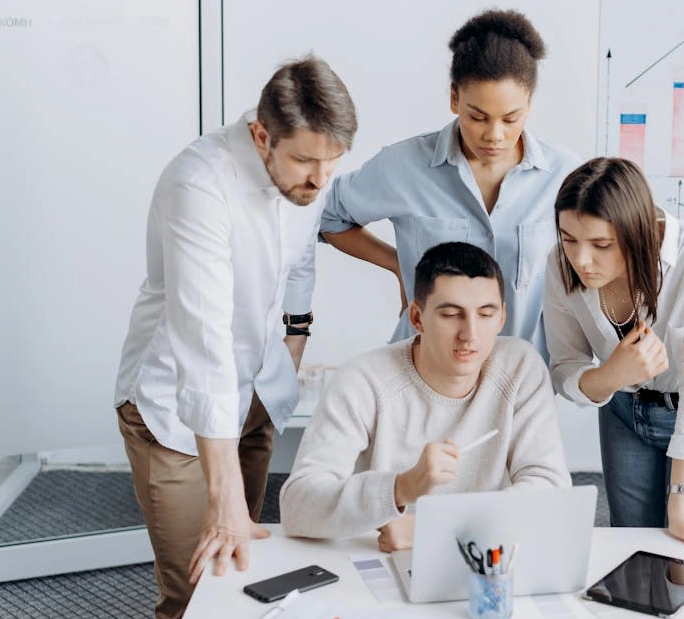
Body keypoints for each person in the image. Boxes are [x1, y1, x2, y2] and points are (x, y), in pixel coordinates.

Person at [113, 56, 357, 618]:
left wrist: (295, 336)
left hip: (255, 392)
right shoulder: (199, 184)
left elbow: (301, 257)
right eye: (305, 161)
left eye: (333, 162)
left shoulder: (310, 167)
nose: (320, 180)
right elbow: (203, 345)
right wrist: (225, 500)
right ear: (261, 135)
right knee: (196, 595)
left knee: (245, 583)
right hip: (173, 411)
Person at [319, 9, 581, 357]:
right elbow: (325, 215)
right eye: (478, 116)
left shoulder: (565, 176)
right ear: (454, 98)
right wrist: (396, 264)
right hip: (422, 370)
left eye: (510, 118)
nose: (494, 134)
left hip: (522, 375)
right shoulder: (404, 166)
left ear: (529, 104)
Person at [542, 157, 684, 568]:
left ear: (637, 233)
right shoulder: (560, 264)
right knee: (634, 566)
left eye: (601, 245)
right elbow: (565, 366)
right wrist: (610, 375)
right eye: (569, 239)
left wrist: (681, 500)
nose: (581, 259)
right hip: (625, 415)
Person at [280, 242, 571, 550]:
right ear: (417, 318)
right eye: (451, 314)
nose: (470, 334)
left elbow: (551, 491)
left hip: (487, 557)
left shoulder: (520, 367)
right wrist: (400, 488)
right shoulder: (364, 380)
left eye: (486, 314)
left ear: (501, 318)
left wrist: (432, 531)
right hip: (386, 555)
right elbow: (297, 506)